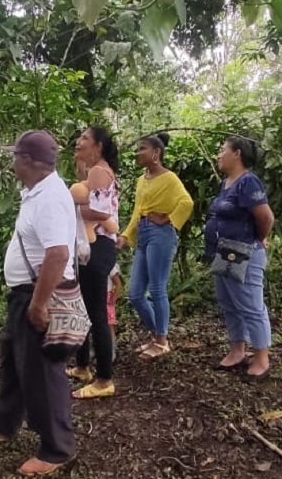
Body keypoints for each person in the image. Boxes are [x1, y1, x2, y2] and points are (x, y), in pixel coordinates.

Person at [0, 130, 76, 477]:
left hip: (39, 294)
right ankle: (2, 422)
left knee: (42, 372)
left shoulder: (49, 198)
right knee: (14, 361)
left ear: (27, 160)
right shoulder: (35, 191)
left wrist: (39, 304)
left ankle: (57, 448)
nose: (12, 161)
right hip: (24, 294)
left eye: (15, 156)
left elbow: (58, 254)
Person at [118, 133, 193, 360]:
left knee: (158, 288)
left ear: (156, 153)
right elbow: (137, 212)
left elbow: (187, 202)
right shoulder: (142, 180)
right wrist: (125, 236)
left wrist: (169, 219)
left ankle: (162, 341)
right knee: (135, 294)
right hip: (143, 232)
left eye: (143, 149)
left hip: (161, 234)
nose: (138, 153)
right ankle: (156, 335)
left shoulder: (169, 179)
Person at [205, 137, 274, 381]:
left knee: (250, 305)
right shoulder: (227, 183)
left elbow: (265, 217)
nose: (219, 155)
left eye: (222, 150)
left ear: (237, 154)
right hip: (225, 250)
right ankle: (237, 351)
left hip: (243, 250)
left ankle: (261, 358)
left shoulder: (248, 181)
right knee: (228, 302)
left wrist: (257, 239)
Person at [67, 127, 120, 399]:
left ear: (98, 147)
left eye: (85, 139)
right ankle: (83, 367)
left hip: (98, 246)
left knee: (96, 311)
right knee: (84, 307)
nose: (79, 141)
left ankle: (104, 380)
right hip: (93, 245)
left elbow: (97, 210)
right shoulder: (95, 171)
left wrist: (68, 203)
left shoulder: (100, 171)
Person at [107, 263, 122, 361]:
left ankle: (111, 350)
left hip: (106, 298)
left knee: (109, 325)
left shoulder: (110, 263)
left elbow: (118, 283)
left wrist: (113, 299)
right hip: (93, 296)